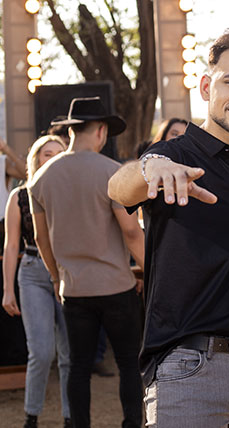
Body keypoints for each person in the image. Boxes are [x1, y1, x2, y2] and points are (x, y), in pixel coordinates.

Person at [107, 28, 229, 427]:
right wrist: (149, 167)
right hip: (189, 371)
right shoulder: (172, 156)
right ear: (207, 86)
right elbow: (118, 188)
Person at [28, 96, 145, 428]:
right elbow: (130, 232)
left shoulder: (41, 178)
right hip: (116, 286)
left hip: (73, 290)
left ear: (71, 129)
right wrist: (154, 269)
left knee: (78, 366)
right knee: (127, 362)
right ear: (102, 131)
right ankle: (131, 424)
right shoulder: (113, 173)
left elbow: (40, 239)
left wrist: (55, 278)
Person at [2, 135, 69, 428]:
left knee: (70, 352)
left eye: (59, 153)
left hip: (68, 273)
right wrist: (7, 290)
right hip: (31, 271)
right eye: (46, 154)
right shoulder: (20, 196)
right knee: (41, 352)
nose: (52, 158)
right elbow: (10, 246)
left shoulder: (73, 193)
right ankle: (32, 416)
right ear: (36, 159)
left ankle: (71, 417)